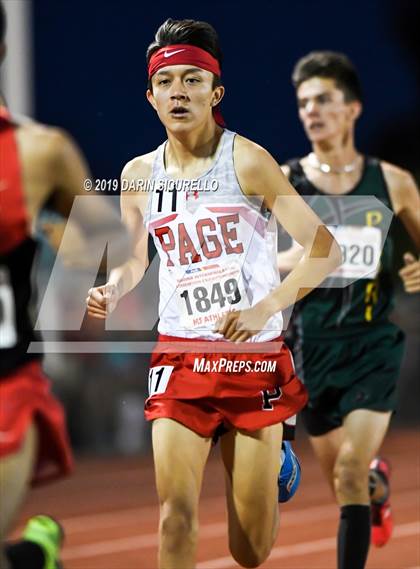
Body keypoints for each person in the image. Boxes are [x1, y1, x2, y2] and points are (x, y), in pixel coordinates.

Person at [86, 19, 341, 569]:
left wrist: (263, 308)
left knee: (248, 552)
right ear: (151, 96)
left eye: (193, 80)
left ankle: (279, 461)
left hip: (254, 360)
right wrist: (113, 285)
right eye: (167, 81)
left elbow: (326, 249)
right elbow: (137, 258)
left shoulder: (247, 160)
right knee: (174, 515)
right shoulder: (137, 174)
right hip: (180, 357)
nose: (179, 91)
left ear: (215, 92)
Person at [277, 51, 420, 569]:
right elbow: (257, 260)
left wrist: (415, 268)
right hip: (310, 350)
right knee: (349, 482)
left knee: (348, 472)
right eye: (303, 103)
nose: (311, 111)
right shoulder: (286, 182)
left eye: (323, 99)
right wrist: (289, 260)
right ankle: (378, 491)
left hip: (371, 345)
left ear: (353, 108)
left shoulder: (392, 181)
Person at [0, 3, 130, 568]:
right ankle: (33, 554)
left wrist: (72, 242)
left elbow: (114, 245)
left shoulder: (41, 151)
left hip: (5, 389)